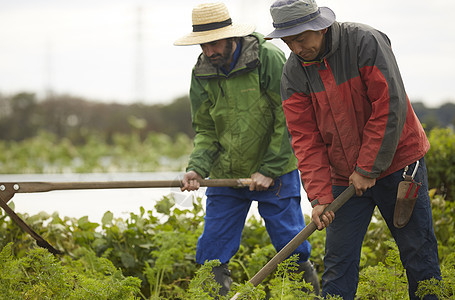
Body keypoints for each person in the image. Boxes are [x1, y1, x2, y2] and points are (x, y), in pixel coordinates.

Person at [265, 0, 442, 299]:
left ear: (319, 27)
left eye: (299, 39)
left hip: (398, 165)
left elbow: (388, 107)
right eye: (287, 41)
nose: (294, 48)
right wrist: (320, 197)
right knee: (338, 261)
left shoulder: (364, 41)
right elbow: (305, 138)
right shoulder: (293, 73)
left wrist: (367, 168)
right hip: (342, 176)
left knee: (418, 253)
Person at [174, 2, 319, 296]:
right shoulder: (201, 72)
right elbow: (206, 129)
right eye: (204, 45)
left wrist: (269, 169)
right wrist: (197, 168)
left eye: (214, 43)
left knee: (292, 245)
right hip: (226, 175)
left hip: (275, 173)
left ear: (230, 36)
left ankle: (308, 296)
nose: (209, 51)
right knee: (212, 249)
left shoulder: (268, 58)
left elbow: (289, 117)